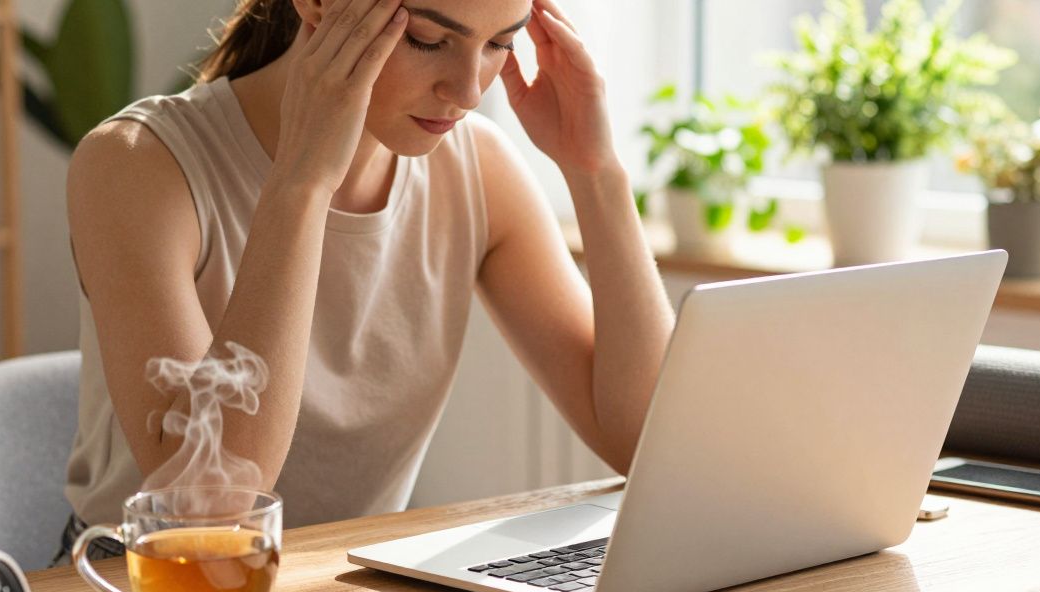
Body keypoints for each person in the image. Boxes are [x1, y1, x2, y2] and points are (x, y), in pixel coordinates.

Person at [58, 0, 673, 563]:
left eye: (500, 46)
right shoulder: (137, 163)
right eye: (430, 40)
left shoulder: (477, 169)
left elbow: (649, 444)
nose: (466, 92)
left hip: (345, 583)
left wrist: (596, 171)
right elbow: (208, 507)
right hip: (145, 591)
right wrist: (302, 184)